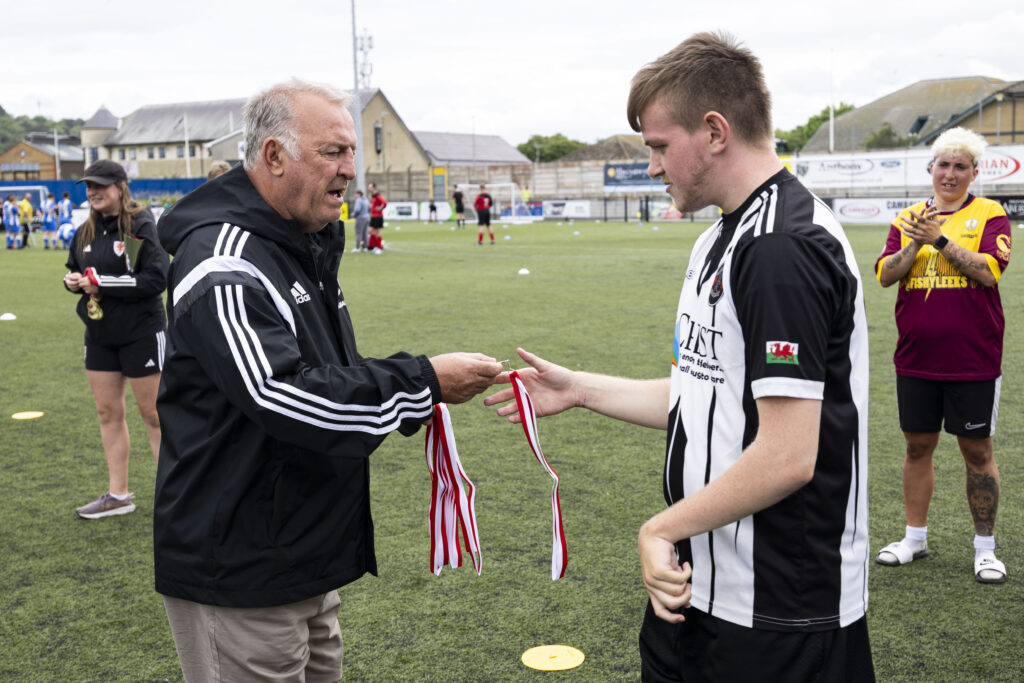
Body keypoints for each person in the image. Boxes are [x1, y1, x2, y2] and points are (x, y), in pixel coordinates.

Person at [485, 32, 872, 682]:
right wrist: (579, 388)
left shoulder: (782, 247)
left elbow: (788, 454)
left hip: (780, 606)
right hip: (695, 585)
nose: (652, 166)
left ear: (715, 131)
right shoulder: (719, 236)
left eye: (660, 146)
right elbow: (706, 397)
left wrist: (658, 528)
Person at [153, 78, 501, 682]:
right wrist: (423, 381)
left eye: (352, 153)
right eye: (333, 152)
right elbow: (282, 395)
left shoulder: (301, 242)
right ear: (273, 155)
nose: (350, 169)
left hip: (301, 552)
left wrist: (416, 382)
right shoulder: (224, 259)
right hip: (241, 566)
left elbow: (328, 375)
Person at [873, 127, 1011, 584]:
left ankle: (985, 550)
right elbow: (885, 275)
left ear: (974, 172)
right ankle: (915, 538)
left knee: (977, 451)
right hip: (916, 358)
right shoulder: (908, 218)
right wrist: (915, 240)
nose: (950, 174)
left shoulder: (990, 213)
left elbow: (989, 272)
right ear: (931, 168)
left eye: (960, 166)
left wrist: (939, 239)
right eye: (943, 165)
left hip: (973, 359)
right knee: (917, 447)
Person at [63, 159, 169, 519]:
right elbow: (75, 269)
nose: (92, 192)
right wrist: (72, 282)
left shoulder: (139, 225)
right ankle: (118, 495)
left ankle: (176, 498)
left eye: (100, 185)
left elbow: (154, 279)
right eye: (88, 186)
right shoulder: (86, 231)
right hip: (100, 335)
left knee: (155, 416)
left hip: (140, 333)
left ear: (120, 187)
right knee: (107, 412)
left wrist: (99, 283)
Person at [367, 181, 386, 254]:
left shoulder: (377, 195)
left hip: (378, 216)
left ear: (374, 188)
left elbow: (384, 202)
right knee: (370, 231)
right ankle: (375, 246)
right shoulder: (373, 195)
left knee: (378, 232)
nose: (369, 188)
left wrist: (380, 208)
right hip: (373, 217)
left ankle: (379, 248)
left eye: (370, 187)